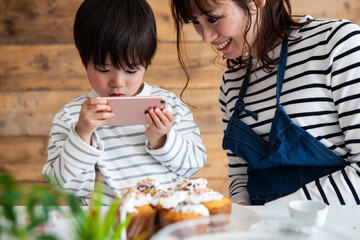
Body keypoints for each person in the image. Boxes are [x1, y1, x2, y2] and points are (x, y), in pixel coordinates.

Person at [170, 0, 360, 205]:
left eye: (213, 18)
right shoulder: (232, 81)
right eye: (195, 22)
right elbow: (240, 176)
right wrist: (243, 216)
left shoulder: (336, 43)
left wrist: (274, 215)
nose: (206, 36)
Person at [43, 0, 206, 205]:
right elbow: (62, 185)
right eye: (104, 69)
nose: (117, 83)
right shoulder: (71, 117)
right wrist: (82, 134)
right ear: (85, 62)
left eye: (131, 70)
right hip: (105, 228)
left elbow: (194, 164)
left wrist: (162, 139)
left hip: (163, 223)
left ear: (146, 62)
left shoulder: (169, 107)